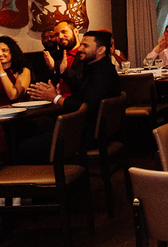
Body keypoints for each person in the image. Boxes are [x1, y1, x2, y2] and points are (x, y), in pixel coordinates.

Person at [22, 30, 121, 161]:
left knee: (24, 147)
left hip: (87, 134)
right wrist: (56, 95)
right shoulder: (98, 68)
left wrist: (55, 98)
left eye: (85, 46)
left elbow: (86, 107)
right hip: (94, 130)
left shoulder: (101, 74)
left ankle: (53, 177)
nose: (80, 49)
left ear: (101, 50)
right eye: (81, 45)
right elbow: (84, 98)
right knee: (32, 128)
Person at [43, 20, 82, 90]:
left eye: (64, 32)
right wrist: (52, 69)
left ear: (76, 32)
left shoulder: (86, 54)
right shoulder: (54, 55)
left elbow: (83, 82)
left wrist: (65, 71)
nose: (60, 36)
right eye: (57, 34)